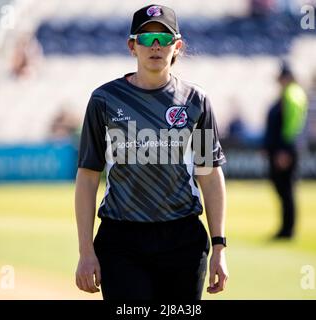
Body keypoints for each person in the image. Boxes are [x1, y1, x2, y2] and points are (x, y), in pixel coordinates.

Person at [74, 4, 229, 300]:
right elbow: (88, 177)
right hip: (121, 241)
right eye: (145, 38)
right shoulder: (104, 100)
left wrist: (219, 248)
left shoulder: (196, 101)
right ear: (132, 46)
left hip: (183, 240)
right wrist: (86, 251)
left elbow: (209, 176)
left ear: (177, 46)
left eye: (164, 38)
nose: (155, 46)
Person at [263, 62, 308, 240]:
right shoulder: (293, 93)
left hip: (284, 151)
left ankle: (287, 230)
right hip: (284, 149)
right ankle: (285, 228)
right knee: (285, 190)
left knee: (286, 190)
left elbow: (291, 126)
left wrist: (285, 150)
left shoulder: (291, 94)